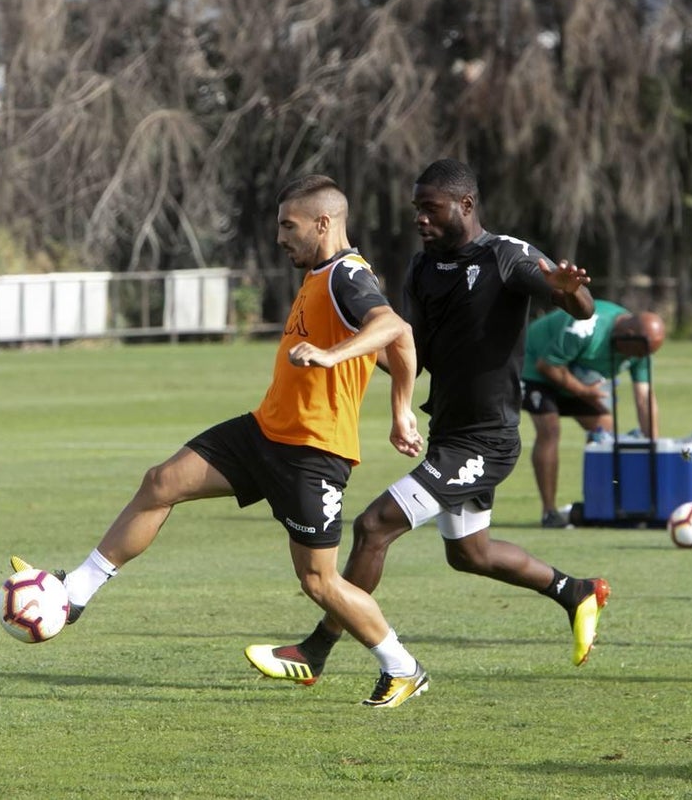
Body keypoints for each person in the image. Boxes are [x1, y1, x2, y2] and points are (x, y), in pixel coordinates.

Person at [11, 174, 432, 708]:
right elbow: (402, 344)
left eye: (289, 226)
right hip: (264, 432)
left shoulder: (346, 275)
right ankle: (74, 595)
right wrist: (399, 409)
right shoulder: (322, 272)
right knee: (162, 482)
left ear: (323, 224)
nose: (281, 237)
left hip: (313, 455)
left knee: (319, 582)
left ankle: (403, 668)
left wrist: (331, 358)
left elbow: (393, 325)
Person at [244, 158, 609, 686]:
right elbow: (416, 354)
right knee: (470, 553)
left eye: (430, 208)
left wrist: (569, 288)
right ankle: (576, 592)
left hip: (487, 440)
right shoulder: (422, 269)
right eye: (416, 209)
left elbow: (577, 304)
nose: (420, 219)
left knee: (374, 527)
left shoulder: (506, 256)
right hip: (450, 434)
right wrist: (352, 352)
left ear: (465, 205)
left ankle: (317, 650)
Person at [521, 300, 665, 528]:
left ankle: (601, 506)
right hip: (534, 368)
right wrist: (583, 391)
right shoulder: (584, 326)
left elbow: (644, 398)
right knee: (549, 429)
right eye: (637, 353)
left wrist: (654, 446)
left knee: (604, 429)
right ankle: (549, 511)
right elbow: (547, 366)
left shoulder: (640, 347)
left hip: (575, 375)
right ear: (627, 335)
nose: (637, 359)